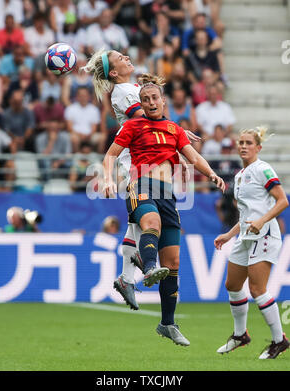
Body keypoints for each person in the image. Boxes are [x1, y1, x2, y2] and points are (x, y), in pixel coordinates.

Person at [102, 79, 225, 345]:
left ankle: (167, 324)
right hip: (140, 185)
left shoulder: (174, 128)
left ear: (162, 100)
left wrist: (212, 173)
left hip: (168, 195)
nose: (151, 102)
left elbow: (193, 157)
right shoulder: (133, 125)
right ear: (141, 104)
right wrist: (109, 178)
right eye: (145, 99)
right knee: (151, 223)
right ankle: (147, 268)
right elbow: (111, 155)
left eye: (154, 98)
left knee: (173, 264)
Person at [82, 48, 200, 311]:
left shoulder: (131, 87)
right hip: (138, 161)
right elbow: (146, 122)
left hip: (146, 160)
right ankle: (137, 268)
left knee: (136, 225)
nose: (125, 56)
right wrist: (175, 135)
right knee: (143, 221)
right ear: (113, 72)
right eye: (119, 58)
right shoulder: (123, 92)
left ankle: (126, 278)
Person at [214, 126, 290, 359]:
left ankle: (280, 340)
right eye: (241, 142)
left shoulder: (263, 169)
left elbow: (282, 201)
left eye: (249, 143)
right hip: (245, 235)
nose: (244, 146)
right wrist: (229, 234)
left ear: (258, 148)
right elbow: (247, 214)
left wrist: (263, 221)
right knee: (232, 285)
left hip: (265, 235)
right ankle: (240, 335)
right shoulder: (238, 176)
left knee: (257, 289)